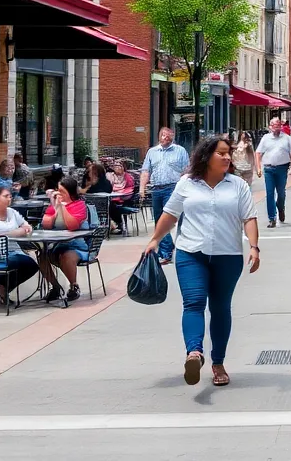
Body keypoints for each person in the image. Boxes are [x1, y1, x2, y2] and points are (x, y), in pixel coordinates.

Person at [145, 137, 259, 387]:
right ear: (206, 157)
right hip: (190, 253)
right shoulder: (187, 183)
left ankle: (218, 362)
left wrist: (253, 246)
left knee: (220, 308)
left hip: (227, 256)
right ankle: (194, 353)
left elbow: (249, 217)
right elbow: (170, 214)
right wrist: (155, 240)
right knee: (193, 303)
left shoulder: (237, 185)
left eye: (229, 153)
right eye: (222, 153)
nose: (228, 157)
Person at [139, 127, 190, 265]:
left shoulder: (180, 151)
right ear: (159, 136)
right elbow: (145, 171)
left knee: (165, 219)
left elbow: (187, 170)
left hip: (172, 188)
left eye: (168, 135)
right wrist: (142, 188)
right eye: (163, 135)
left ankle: (165, 252)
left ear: (172, 136)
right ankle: (167, 248)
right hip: (156, 189)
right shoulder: (152, 152)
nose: (165, 137)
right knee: (158, 220)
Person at [37, 176, 90, 303]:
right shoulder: (54, 205)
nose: (59, 194)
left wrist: (63, 207)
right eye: (58, 190)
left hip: (75, 244)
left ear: (70, 193)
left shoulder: (80, 205)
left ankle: (73, 286)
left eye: (62, 192)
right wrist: (55, 208)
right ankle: (55, 287)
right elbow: (46, 225)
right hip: (57, 243)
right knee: (42, 256)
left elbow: (72, 225)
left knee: (66, 256)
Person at [256, 117, 291, 229]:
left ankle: (280, 207)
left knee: (281, 193)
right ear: (270, 127)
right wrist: (258, 168)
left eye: (278, 125)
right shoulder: (265, 138)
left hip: (282, 169)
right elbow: (258, 153)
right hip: (269, 169)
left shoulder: (286, 138)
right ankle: (272, 218)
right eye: (274, 125)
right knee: (269, 193)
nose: (276, 127)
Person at [107, 161, 136, 235]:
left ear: (123, 167)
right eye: (115, 165)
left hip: (125, 199)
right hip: (112, 197)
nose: (117, 167)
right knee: (109, 205)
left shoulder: (128, 177)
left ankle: (119, 225)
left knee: (113, 206)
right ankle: (112, 225)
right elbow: (108, 187)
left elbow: (130, 189)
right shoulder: (110, 176)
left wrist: (121, 192)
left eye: (119, 165)